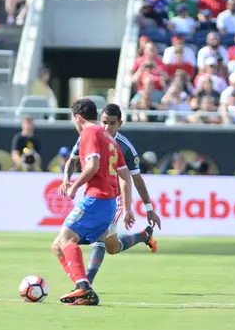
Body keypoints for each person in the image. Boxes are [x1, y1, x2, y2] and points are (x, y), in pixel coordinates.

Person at [61, 104, 161, 286]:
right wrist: (65, 179)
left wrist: (148, 208)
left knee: (99, 237)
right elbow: (72, 161)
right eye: (104, 122)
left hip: (115, 197)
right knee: (112, 247)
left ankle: (85, 284)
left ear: (120, 123)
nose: (107, 127)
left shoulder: (125, 147)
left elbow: (135, 179)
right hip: (95, 194)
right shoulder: (89, 136)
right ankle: (144, 236)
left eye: (112, 123)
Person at [52, 99, 134, 306]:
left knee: (64, 240)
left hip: (97, 199)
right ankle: (83, 288)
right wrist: (127, 206)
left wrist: (74, 185)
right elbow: (124, 174)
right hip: (108, 203)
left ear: (77, 118)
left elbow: (93, 165)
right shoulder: (110, 138)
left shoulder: (89, 132)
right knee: (58, 246)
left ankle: (82, 288)